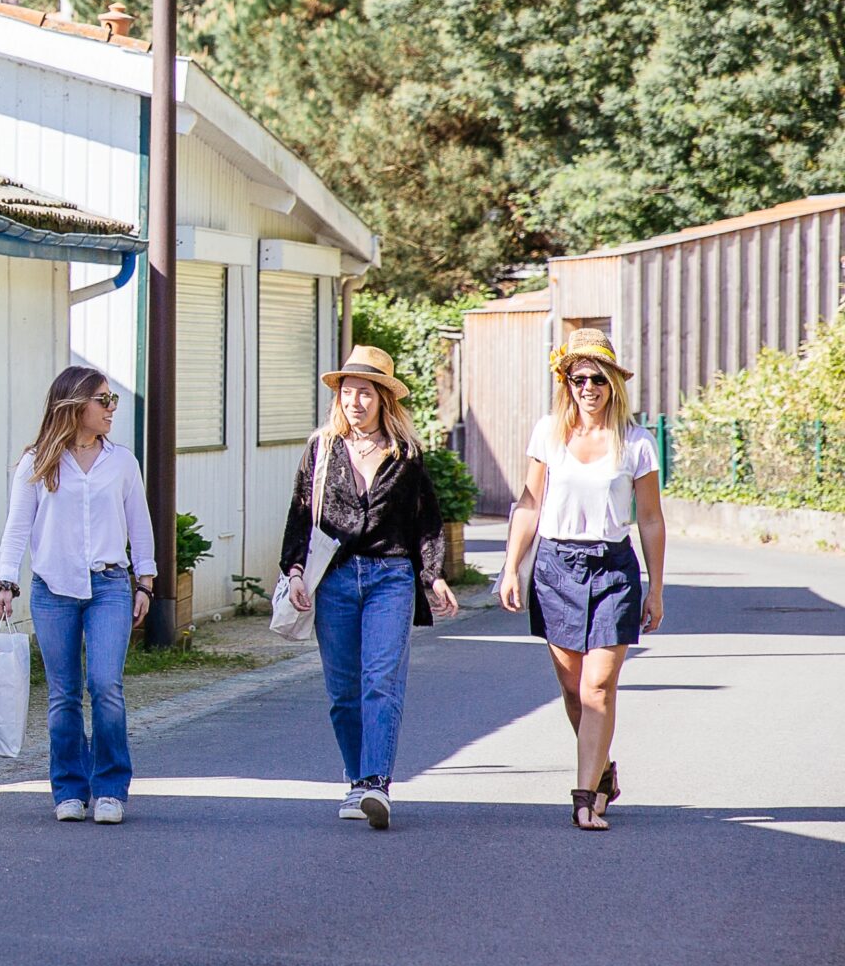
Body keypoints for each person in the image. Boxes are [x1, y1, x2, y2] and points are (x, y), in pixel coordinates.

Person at [279, 345, 460, 831]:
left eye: (365, 392)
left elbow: (426, 523)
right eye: (348, 392)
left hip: (391, 577)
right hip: (334, 579)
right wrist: (294, 571)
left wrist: (433, 574)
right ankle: (356, 779)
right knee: (343, 690)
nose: (355, 401)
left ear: (383, 399)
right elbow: (300, 515)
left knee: (381, 679)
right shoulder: (321, 450)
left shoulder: (407, 455)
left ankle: (377, 782)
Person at [495, 329, 667, 832]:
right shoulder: (548, 433)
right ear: (565, 382)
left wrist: (655, 587)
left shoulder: (636, 442)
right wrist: (511, 566)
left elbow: (651, 519)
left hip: (613, 567)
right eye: (577, 378)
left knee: (597, 688)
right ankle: (604, 771)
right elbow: (529, 504)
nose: (587, 388)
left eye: (597, 378)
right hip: (555, 568)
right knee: (573, 691)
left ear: (614, 383)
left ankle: (584, 796)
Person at [0, 366, 157, 825]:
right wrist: (5, 582)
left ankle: (110, 787)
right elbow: (17, 528)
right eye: (103, 401)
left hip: (109, 587)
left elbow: (140, 528)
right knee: (63, 695)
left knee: (105, 686)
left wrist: (146, 580)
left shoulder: (122, 462)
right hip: (53, 590)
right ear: (74, 406)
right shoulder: (38, 461)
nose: (111, 409)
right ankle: (68, 787)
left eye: (112, 401)